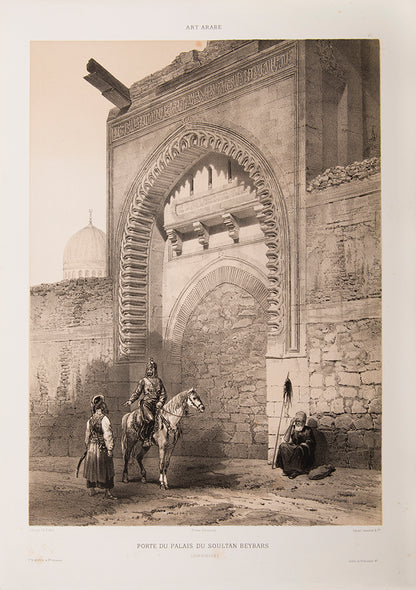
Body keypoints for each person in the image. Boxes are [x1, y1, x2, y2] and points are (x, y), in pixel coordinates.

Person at [124, 358, 167, 447]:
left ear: (155, 369)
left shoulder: (159, 381)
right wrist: (130, 401)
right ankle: (146, 438)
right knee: (151, 420)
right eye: (148, 369)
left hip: (157, 405)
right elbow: (137, 393)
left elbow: (163, 394)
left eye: (151, 368)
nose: (149, 370)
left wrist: (160, 402)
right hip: (146, 405)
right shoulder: (143, 381)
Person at [83, 394, 117, 499]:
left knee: (92, 467)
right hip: (102, 447)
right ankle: (107, 491)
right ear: (102, 407)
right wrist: (110, 448)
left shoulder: (90, 419)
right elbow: (108, 435)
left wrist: (87, 445)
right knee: (106, 468)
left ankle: (91, 489)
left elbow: (87, 434)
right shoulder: (104, 419)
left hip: (92, 447)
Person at [274, 410, 316, 479]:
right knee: (283, 446)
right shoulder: (293, 428)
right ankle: (287, 469)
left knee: (298, 449)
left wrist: (304, 444)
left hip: (303, 449)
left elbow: (311, 442)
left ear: (304, 422)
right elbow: (286, 440)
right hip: (293, 446)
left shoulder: (308, 430)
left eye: (300, 421)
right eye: (296, 421)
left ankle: (295, 470)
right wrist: (291, 425)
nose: (298, 423)